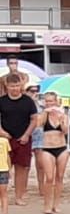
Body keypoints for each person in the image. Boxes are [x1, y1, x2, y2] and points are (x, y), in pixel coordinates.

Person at [0, 72, 39, 205]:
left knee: (22, 168)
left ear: (21, 85)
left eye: (17, 86)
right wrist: (1, 132)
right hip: (5, 139)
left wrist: (27, 135)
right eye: (12, 86)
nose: (15, 89)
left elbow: (34, 119)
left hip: (23, 138)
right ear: (7, 86)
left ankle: (19, 196)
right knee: (4, 168)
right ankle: (2, 197)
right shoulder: (2, 100)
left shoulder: (28, 101)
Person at [32, 91, 68, 214]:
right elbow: (37, 125)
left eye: (51, 101)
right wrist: (45, 113)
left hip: (61, 147)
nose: (49, 103)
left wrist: (60, 118)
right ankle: (47, 204)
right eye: (47, 101)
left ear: (56, 101)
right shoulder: (43, 115)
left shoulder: (62, 114)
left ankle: (56, 204)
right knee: (49, 177)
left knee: (59, 177)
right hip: (47, 148)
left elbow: (65, 131)